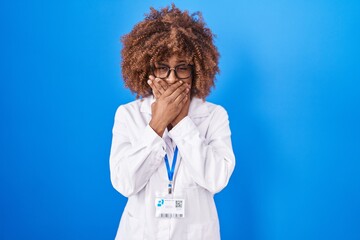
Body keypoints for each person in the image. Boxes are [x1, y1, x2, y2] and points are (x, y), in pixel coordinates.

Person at [109, 4, 235, 240]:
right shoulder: (128, 115)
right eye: (163, 68)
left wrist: (180, 121)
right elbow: (125, 183)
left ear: (196, 70)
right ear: (147, 68)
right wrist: (157, 123)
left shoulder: (215, 116)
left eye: (181, 68)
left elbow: (216, 179)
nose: (171, 78)